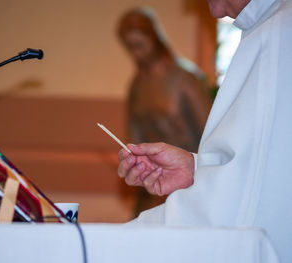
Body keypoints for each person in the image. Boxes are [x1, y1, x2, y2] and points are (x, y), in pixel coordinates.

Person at [117, 0, 292, 262]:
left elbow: (245, 199)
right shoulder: (270, 27)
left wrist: (116, 242)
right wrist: (197, 168)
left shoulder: (280, 32)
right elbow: (263, 164)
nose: (216, 11)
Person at [117, 8, 212, 214]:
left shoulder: (186, 80)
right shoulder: (136, 85)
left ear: (155, 39)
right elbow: (132, 136)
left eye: (140, 45)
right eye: (130, 47)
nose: (136, 53)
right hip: (150, 186)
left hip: (186, 185)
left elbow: (212, 134)